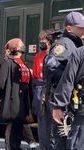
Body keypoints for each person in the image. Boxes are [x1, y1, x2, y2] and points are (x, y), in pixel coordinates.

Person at [43, 11, 84, 149]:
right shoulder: (65, 44)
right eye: (80, 27)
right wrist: (61, 100)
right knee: (62, 138)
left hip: (69, 98)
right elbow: (52, 70)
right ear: (69, 28)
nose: (83, 29)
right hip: (64, 100)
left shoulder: (75, 45)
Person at [0, 38, 32, 150]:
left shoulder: (8, 62)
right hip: (19, 101)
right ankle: (13, 147)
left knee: (14, 128)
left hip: (15, 100)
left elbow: (1, 83)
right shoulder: (23, 64)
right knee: (16, 128)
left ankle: (13, 147)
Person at [32, 29, 53, 150]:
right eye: (40, 39)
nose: (41, 42)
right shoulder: (38, 57)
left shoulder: (56, 54)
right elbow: (36, 75)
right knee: (43, 125)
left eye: (43, 39)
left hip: (51, 91)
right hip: (41, 92)